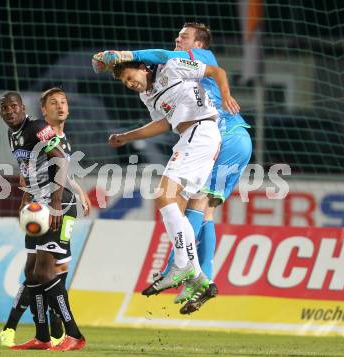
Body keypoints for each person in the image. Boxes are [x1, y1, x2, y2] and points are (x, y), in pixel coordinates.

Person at [93, 22, 252, 313]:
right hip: (200, 138)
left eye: (184, 38)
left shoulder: (182, 61)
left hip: (212, 133)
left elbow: (166, 57)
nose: (178, 41)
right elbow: (164, 123)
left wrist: (119, 54)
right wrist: (126, 136)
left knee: (168, 197)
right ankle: (199, 278)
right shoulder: (148, 93)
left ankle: (181, 268)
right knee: (190, 206)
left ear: (143, 68)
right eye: (125, 82)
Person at [0, 88, 90, 349]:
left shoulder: (37, 127)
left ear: (23, 108)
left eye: (14, 106)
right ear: (1, 113)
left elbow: (60, 160)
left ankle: (74, 334)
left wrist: (57, 203)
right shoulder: (12, 134)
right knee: (31, 271)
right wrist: (26, 199)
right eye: (5, 108)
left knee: (45, 270)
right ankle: (42, 337)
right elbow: (27, 169)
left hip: (56, 204)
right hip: (38, 206)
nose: (10, 111)